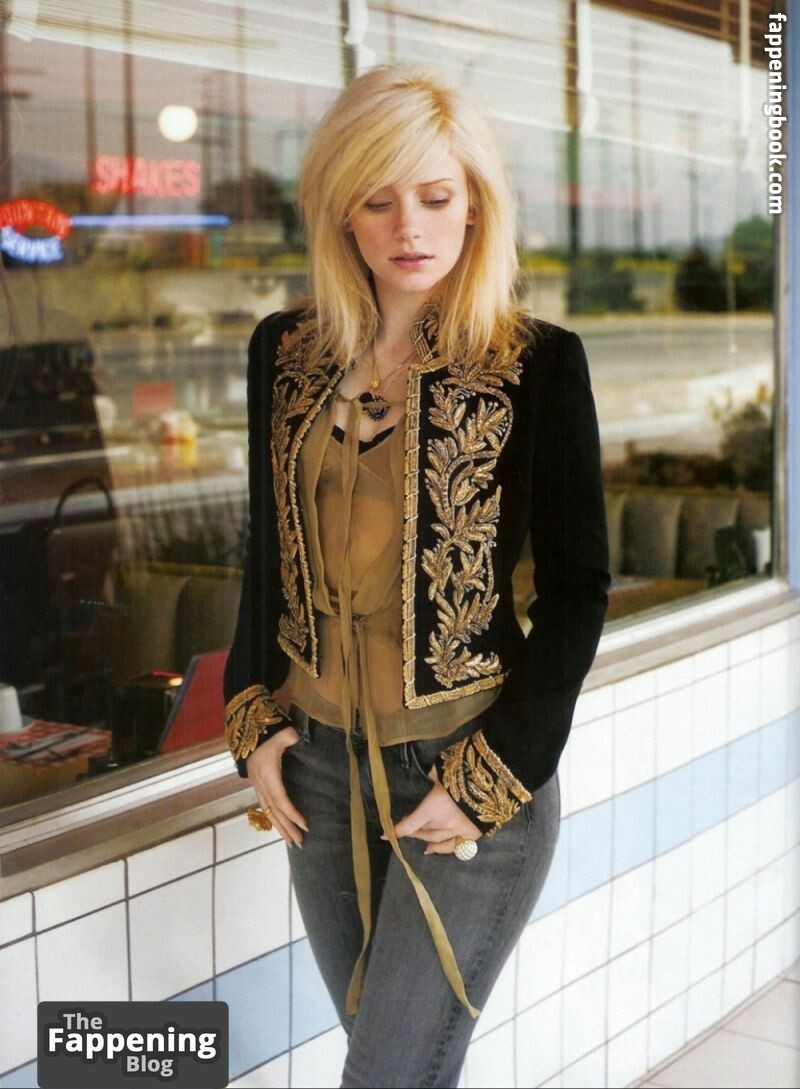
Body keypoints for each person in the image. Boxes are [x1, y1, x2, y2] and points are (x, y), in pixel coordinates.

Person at [223, 63, 610, 1088]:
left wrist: (496, 775)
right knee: (392, 1062)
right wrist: (251, 716)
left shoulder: (535, 364)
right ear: (338, 212)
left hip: (462, 768)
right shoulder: (283, 351)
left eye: (436, 196)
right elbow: (267, 551)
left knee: (387, 1073)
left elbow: (578, 589)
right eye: (378, 199)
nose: (409, 226)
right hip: (314, 772)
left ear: (474, 203)